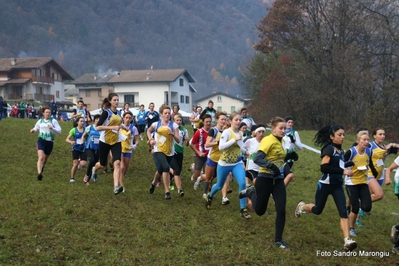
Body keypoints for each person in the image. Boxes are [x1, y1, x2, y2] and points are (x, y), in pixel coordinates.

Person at [293, 125, 357, 252]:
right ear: (331, 137)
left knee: (343, 212)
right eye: (339, 135)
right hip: (325, 185)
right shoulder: (328, 149)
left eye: (343, 134)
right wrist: (343, 170)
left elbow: (338, 164)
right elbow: (324, 168)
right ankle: (301, 207)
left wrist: (349, 165)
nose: (342, 137)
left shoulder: (341, 151)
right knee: (317, 210)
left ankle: (347, 240)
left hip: (337, 186)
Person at [238, 117, 290, 249]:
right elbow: (257, 158)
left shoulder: (282, 141)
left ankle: (278, 240)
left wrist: (289, 158)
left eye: (285, 128)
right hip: (264, 178)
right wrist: (271, 166)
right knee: (260, 211)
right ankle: (250, 192)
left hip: (278, 180)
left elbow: (278, 158)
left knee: (281, 209)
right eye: (281, 128)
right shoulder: (268, 140)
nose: (284, 130)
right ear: (273, 129)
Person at [205, 112, 250, 219]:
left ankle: (242, 209)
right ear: (230, 121)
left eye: (239, 120)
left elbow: (240, 146)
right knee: (219, 185)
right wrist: (234, 139)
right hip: (224, 164)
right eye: (236, 120)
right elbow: (221, 147)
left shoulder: (240, 133)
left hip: (236, 163)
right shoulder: (226, 132)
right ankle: (210, 196)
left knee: (243, 184)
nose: (238, 122)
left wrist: (245, 151)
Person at [343, 130, 378, 236]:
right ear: (358, 140)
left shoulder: (368, 151)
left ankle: (352, 208)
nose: (367, 142)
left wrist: (374, 171)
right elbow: (341, 164)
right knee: (355, 207)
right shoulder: (351, 152)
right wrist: (350, 164)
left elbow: (369, 162)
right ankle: (351, 228)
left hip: (363, 182)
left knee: (367, 207)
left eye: (368, 139)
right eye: (364, 139)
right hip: (351, 183)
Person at [91, 93, 125, 195]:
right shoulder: (106, 112)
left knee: (117, 163)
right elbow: (98, 127)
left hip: (116, 141)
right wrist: (112, 128)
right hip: (105, 141)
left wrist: (123, 126)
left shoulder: (119, 112)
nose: (116, 102)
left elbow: (117, 124)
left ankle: (116, 187)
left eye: (117, 100)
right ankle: (94, 169)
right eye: (114, 100)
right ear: (110, 101)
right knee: (102, 164)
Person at [147, 104, 181, 199]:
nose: (167, 115)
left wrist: (173, 134)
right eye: (165, 113)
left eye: (169, 113)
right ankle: (167, 192)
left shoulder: (174, 125)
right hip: (158, 150)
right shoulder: (156, 124)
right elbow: (148, 131)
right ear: (161, 114)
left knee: (161, 170)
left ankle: (153, 183)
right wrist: (151, 140)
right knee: (166, 167)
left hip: (169, 152)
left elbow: (178, 140)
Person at [200, 111, 229, 203]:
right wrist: (217, 143)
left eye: (225, 119)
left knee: (224, 177)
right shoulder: (213, 130)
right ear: (217, 120)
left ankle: (224, 198)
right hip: (212, 158)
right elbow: (207, 144)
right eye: (222, 119)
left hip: (223, 159)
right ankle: (205, 193)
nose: (224, 121)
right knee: (208, 178)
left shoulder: (227, 131)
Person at [30, 106, 62, 181]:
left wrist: (52, 128)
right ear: (43, 113)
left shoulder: (53, 121)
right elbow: (36, 127)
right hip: (41, 141)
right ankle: (39, 174)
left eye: (49, 112)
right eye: (46, 112)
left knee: (44, 160)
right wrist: (33, 130)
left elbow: (60, 131)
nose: (48, 114)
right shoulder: (40, 121)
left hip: (50, 142)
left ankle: (42, 167)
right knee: (40, 157)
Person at [367, 128, 397, 203]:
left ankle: (360, 207)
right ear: (374, 136)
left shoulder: (387, 147)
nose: (382, 136)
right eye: (380, 134)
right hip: (370, 174)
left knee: (369, 195)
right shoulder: (370, 146)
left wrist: (392, 144)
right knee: (378, 195)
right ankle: (360, 204)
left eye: (384, 134)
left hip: (380, 176)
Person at [242, 126, 265, 209]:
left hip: (261, 168)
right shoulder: (250, 141)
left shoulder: (265, 143)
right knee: (257, 183)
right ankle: (254, 202)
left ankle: (250, 200)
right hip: (251, 167)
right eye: (259, 132)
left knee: (258, 186)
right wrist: (246, 152)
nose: (261, 134)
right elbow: (241, 148)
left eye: (263, 132)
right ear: (256, 133)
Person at [191, 114, 212, 190]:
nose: (208, 123)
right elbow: (192, 144)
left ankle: (208, 190)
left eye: (210, 121)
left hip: (209, 156)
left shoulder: (213, 131)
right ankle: (195, 171)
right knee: (196, 176)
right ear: (203, 122)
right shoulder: (199, 132)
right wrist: (199, 152)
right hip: (199, 155)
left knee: (209, 174)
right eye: (207, 122)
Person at [120, 111, 139, 192]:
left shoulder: (133, 128)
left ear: (131, 119)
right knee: (122, 167)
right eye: (126, 118)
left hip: (128, 150)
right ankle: (121, 186)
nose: (128, 119)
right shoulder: (119, 127)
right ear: (123, 118)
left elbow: (137, 140)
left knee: (125, 170)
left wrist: (134, 145)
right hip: (119, 149)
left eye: (129, 118)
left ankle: (119, 179)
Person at [66, 117, 88, 183]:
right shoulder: (74, 130)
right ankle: (72, 178)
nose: (82, 123)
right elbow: (67, 139)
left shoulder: (86, 130)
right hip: (75, 148)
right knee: (75, 164)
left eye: (83, 121)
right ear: (77, 122)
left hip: (83, 148)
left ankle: (79, 162)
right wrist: (70, 142)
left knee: (83, 164)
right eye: (81, 121)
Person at [171, 113, 189, 195]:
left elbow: (187, 144)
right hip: (172, 152)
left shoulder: (184, 130)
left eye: (180, 120)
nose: (179, 122)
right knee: (176, 170)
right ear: (174, 121)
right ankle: (179, 189)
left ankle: (171, 180)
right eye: (177, 120)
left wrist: (187, 141)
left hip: (180, 152)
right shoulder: (171, 129)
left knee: (178, 170)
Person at [82, 114, 101, 185]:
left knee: (94, 164)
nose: (98, 120)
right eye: (97, 119)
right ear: (94, 120)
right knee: (92, 161)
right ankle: (87, 175)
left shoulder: (102, 128)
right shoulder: (90, 127)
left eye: (99, 119)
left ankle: (88, 179)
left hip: (98, 149)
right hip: (89, 148)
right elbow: (84, 135)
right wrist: (82, 142)